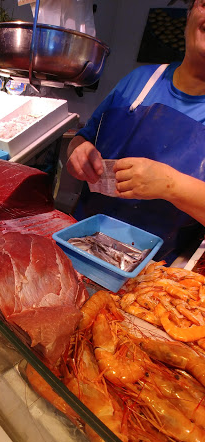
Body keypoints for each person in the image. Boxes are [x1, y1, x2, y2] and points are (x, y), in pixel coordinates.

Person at [66, 0, 205, 264]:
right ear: (189, 14)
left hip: (156, 273)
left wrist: (171, 185)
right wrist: (78, 151)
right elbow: (83, 137)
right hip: (78, 244)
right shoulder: (138, 80)